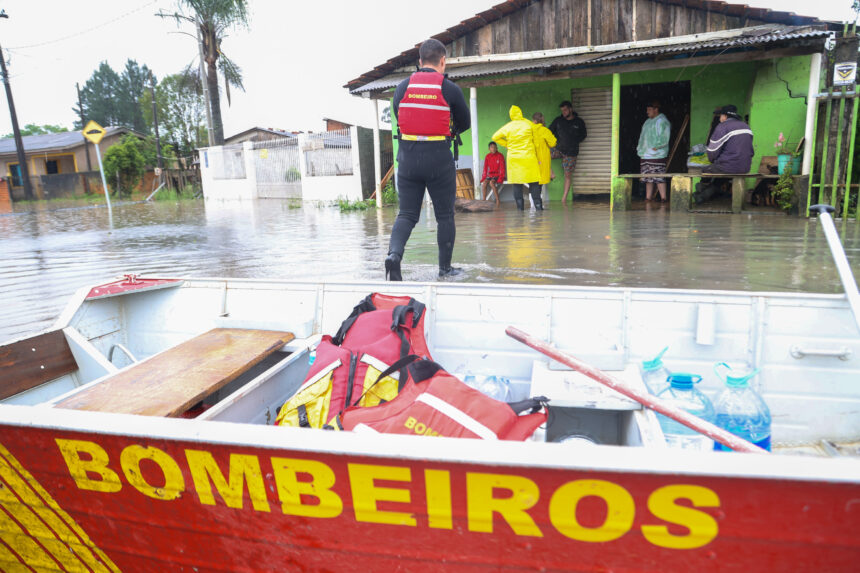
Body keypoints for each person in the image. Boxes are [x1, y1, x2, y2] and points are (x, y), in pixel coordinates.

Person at [385, 38, 470, 281]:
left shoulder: (402, 87)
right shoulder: (450, 88)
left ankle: (394, 255)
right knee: (445, 215)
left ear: (419, 62)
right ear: (443, 61)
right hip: (438, 158)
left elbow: (398, 115)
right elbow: (465, 123)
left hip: (408, 159)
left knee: (407, 214)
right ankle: (444, 269)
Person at [693, 104, 754, 204]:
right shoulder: (746, 126)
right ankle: (702, 197)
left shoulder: (723, 126)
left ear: (725, 116)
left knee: (706, 170)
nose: (720, 118)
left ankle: (700, 193)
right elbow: (749, 150)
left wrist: (713, 161)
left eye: (720, 116)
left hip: (729, 166)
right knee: (719, 179)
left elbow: (712, 152)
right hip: (745, 167)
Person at [492, 105, 542, 211]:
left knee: (517, 183)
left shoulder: (508, 127)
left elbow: (495, 137)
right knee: (534, 182)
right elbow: (537, 142)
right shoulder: (529, 124)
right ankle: (538, 208)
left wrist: (507, 144)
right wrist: (539, 157)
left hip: (514, 159)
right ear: (521, 113)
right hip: (529, 157)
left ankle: (520, 210)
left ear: (511, 115)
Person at [549, 100, 587, 204]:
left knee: (567, 175)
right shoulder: (558, 120)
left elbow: (584, 135)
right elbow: (548, 132)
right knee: (541, 154)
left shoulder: (579, 122)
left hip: (571, 152)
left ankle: (564, 199)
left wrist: (574, 141)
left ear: (571, 109)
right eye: (562, 111)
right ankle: (551, 173)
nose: (564, 112)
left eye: (565, 110)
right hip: (558, 148)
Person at [636, 101, 671, 202]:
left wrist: (657, 147)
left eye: (649, 110)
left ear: (656, 110)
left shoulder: (662, 121)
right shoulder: (647, 122)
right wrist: (640, 148)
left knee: (659, 177)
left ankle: (663, 198)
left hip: (657, 154)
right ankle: (648, 197)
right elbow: (642, 137)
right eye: (647, 110)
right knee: (648, 178)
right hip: (645, 154)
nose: (647, 112)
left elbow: (665, 137)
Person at [532, 112, 557, 205]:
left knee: (533, 183)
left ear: (533, 120)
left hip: (531, 159)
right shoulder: (545, 130)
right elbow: (553, 143)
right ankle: (538, 207)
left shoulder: (529, 130)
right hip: (542, 160)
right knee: (539, 183)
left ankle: (533, 206)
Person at [480, 141, 506, 206]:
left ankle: (497, 200)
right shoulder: (487, 156)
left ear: (497, 148)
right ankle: (484, 200)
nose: (493, 149)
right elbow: (485, 168)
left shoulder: (500, 155)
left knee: (491, 183)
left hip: (498, 175)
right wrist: (483, 177)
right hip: (491, 175)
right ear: (489, 149)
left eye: (494, 147)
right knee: (484, 183)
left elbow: (502, 168)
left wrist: (501, 177)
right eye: (491, 147)